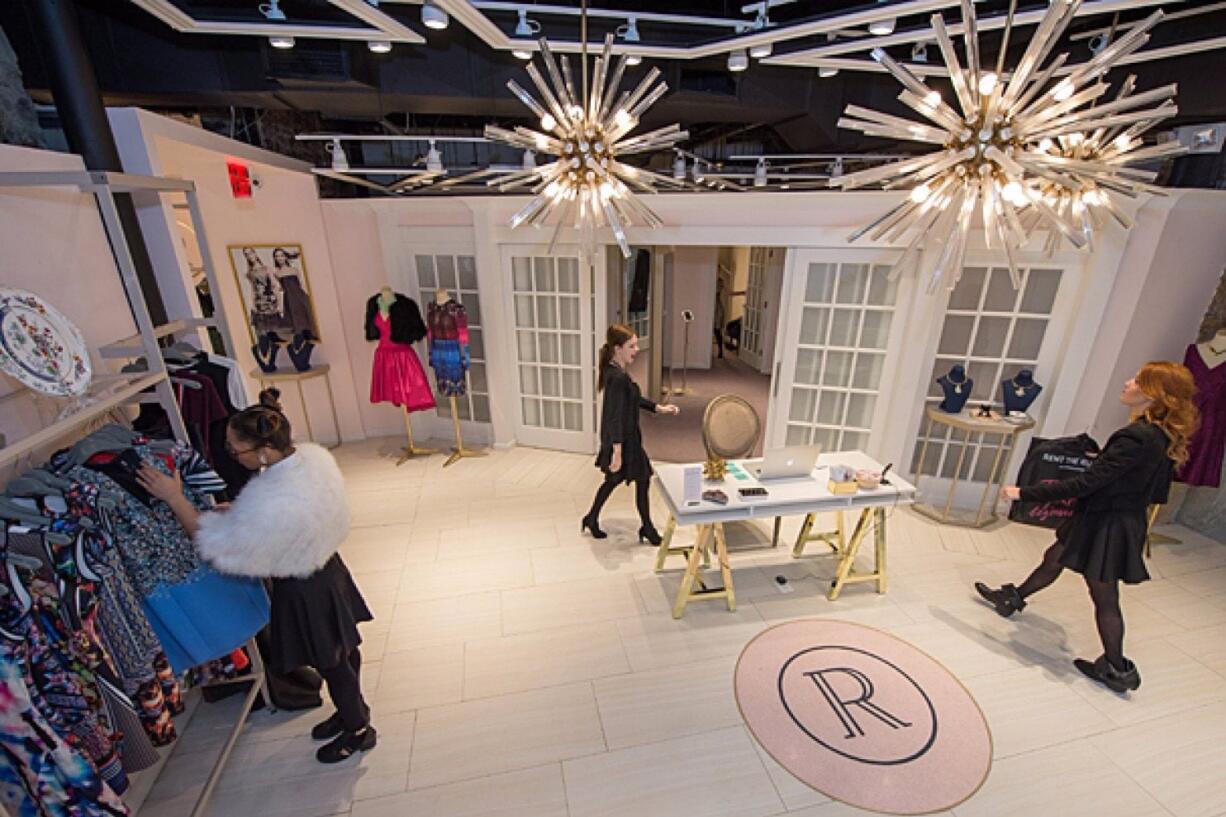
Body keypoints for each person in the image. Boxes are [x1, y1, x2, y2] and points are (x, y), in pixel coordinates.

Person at [136, 389, 376, 763]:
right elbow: (290, 511)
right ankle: (352, 711)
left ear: (262, 451)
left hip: (303, 585)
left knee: (331, 660)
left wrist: (174, 497)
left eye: (236, 451)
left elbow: (210, 540)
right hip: (328, 566)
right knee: (344, 648)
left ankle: (358, 728)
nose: (233, 456)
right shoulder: (311, 460)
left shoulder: (272, 504)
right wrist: (246, 511)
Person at [975, 362, 1199, 693]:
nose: (1127, 381)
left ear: (1153, 394)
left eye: (1137, 380)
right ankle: (1013, 598)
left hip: (1106, 524)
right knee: (1055, 556)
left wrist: (1022, 493)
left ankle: (1118, 668)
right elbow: (1154, 492)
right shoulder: (1160, 436)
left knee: (1104, 596)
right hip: (1116, 519)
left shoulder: (1135, 437)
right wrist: (1113, 472)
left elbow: (1085, 484)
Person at [583, 324, 680, 545]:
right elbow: (615, 416)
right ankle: (643, 527)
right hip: (624, 441)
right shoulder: (617, 377)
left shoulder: (614, 370)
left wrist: (658, 408)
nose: (637, 350)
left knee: (632, 479)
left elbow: (632, 400)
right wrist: (617, 452)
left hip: (627, 439)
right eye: (632, 346)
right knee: (623, 479)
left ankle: (597, 518)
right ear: (618, 348)